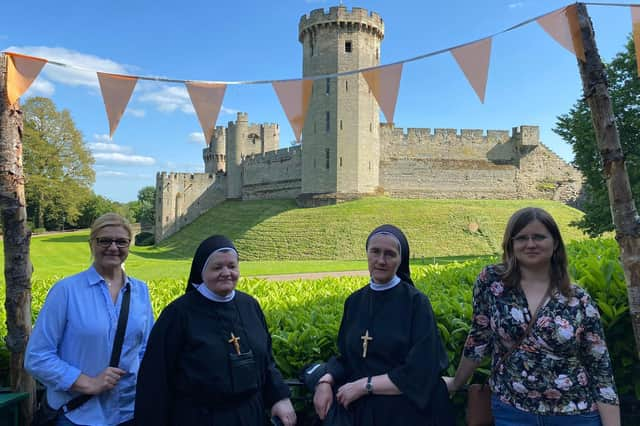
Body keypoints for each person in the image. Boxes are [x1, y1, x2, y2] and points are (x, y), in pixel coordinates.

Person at [444, 207, 621, 425]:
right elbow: (478, 339)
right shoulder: (492, 282)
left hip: (574, 414)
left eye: (539, 237)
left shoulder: (578, 300)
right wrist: (457, 382)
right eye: (521, 238)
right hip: (512, 411)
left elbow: (600, 366)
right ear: (511, 244)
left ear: (554, 242)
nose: (530, 244)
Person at [134, 235, 296, 426]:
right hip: (200, 418)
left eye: (232, 266)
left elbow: (266, 360)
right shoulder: (178, 314)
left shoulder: (249, 306)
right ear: (201, 271)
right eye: (217, 267)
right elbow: (156, 379)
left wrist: (280, 397)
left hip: (250, 415)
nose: (226, 273)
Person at [312, 224, 454, 425]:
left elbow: (421, 369)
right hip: (358, 413)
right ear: (367, 254)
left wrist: (365, 386)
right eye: (375, 252)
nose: (381, 260)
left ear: (400, 259)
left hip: (403, 413)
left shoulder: (416, 303)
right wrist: (325, 381)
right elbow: (347, 357)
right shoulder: (354, 301)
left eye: (390, 254)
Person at [25, 213, 155, 426]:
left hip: (128, 413)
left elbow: (145, 349)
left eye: (121, 241)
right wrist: (87, 383)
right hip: (78, 414)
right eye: (104, 240)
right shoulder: (67, 291)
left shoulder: (140, 291)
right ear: (91, 243)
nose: (113, 247)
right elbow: (37, 357)